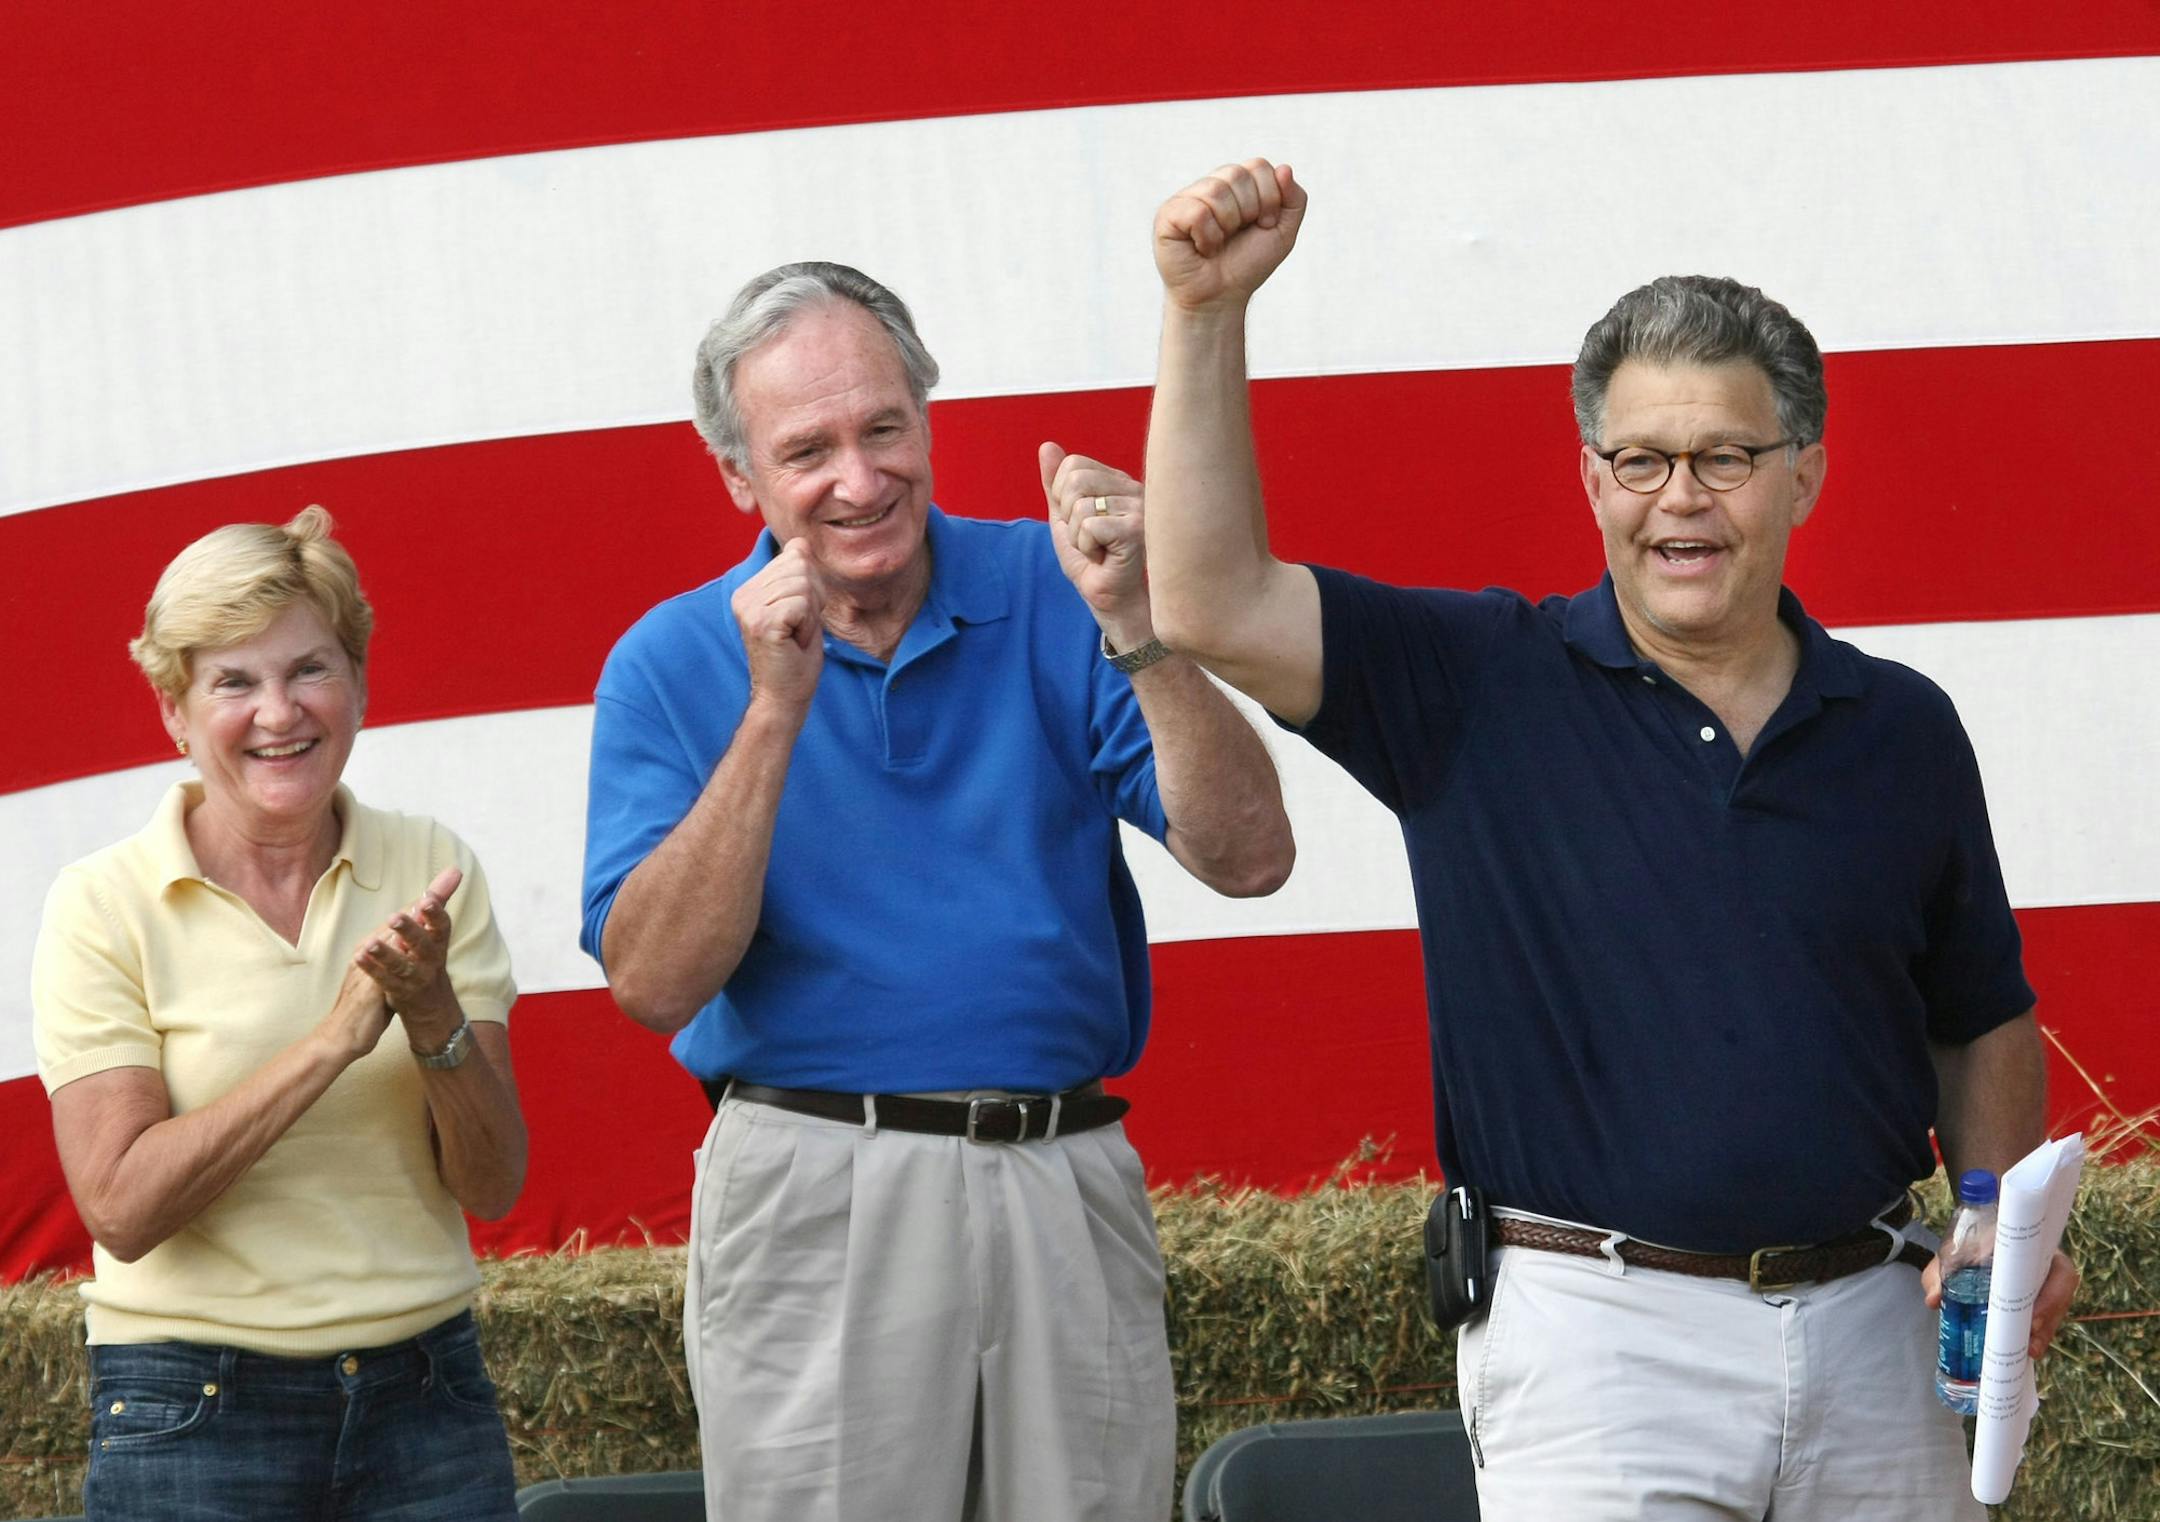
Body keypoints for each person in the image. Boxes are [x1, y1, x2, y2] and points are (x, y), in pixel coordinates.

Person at [1139, 160, 2080, 1520]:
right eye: (1641, 458)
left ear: (1805, 472)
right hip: (1599, 1341)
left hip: (1879, 1335)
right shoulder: (1473, 681)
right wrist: (1204, 313)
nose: (1679, 498)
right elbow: (1211, 597)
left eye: (1724, 457)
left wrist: (1990, 1213)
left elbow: (1980, 1016)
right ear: (1591, 478)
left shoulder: (1904, 726)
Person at [579, 260, 1293, 1520]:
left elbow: (1249, 856)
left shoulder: (1056, 589)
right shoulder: (671, 659)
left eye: (885, 426)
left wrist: (1137, 624)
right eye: (809, 449)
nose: (860, 479)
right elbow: (651, 980)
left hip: (1058, 1172)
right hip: (817, 1181)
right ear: (739, 477)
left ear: (927, 414)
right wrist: (772, 713)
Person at [32, 506, 528, 1521]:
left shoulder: (431, 866)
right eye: (234, 682)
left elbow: (493, 1182)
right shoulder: (102, 902)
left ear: (357, 684)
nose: (279, 712)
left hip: (425, 1401)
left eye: (309, 668)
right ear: (174, 709)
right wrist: (336, 1040)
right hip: (189, 1412)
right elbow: (121, 1208)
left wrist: (431, 1013)